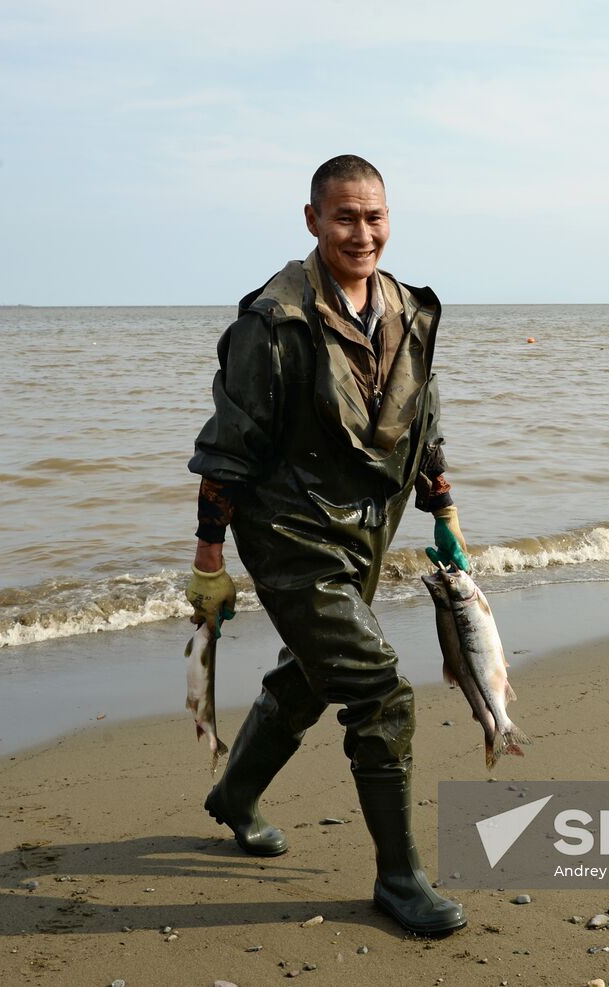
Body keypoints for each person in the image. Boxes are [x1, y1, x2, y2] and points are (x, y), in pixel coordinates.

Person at [184, 154, 471, 935]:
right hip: (287, 532)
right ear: (312, 219)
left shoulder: (408, 308)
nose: (361, 232)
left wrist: (443, 513)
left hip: (367, 528)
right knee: (379, 687)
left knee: (313, 677)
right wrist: (210, 561)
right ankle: (399, 877)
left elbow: (424, 421)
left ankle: (234, 795)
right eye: (344, 217)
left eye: (374, 216)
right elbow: (227, 447)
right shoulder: (273, 320)